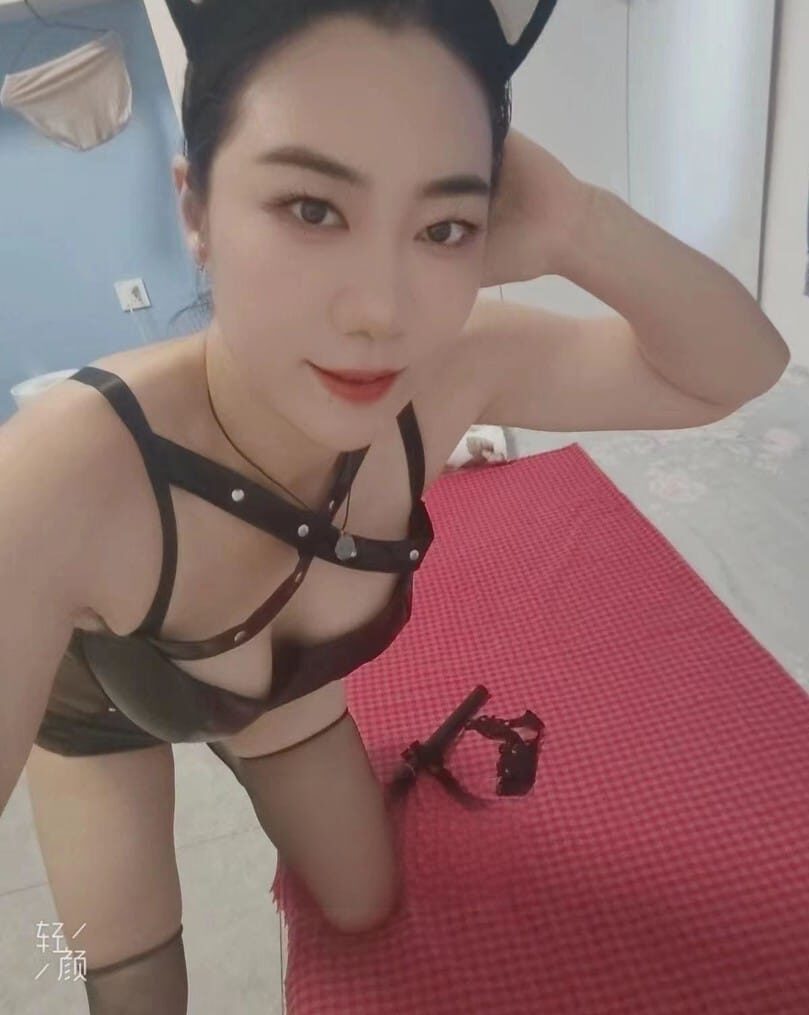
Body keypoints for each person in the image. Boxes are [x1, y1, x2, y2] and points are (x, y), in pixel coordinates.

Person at [0, 1, 558, 1011]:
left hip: (273, 693)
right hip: (96, 715)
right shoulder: (54, 462)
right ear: (196, 211)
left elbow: (730, 366)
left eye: (441, 226)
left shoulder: (448, 376)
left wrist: (580, 225)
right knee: (127, 985)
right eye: (310, 209)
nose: (377, 309)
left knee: (365, 905)